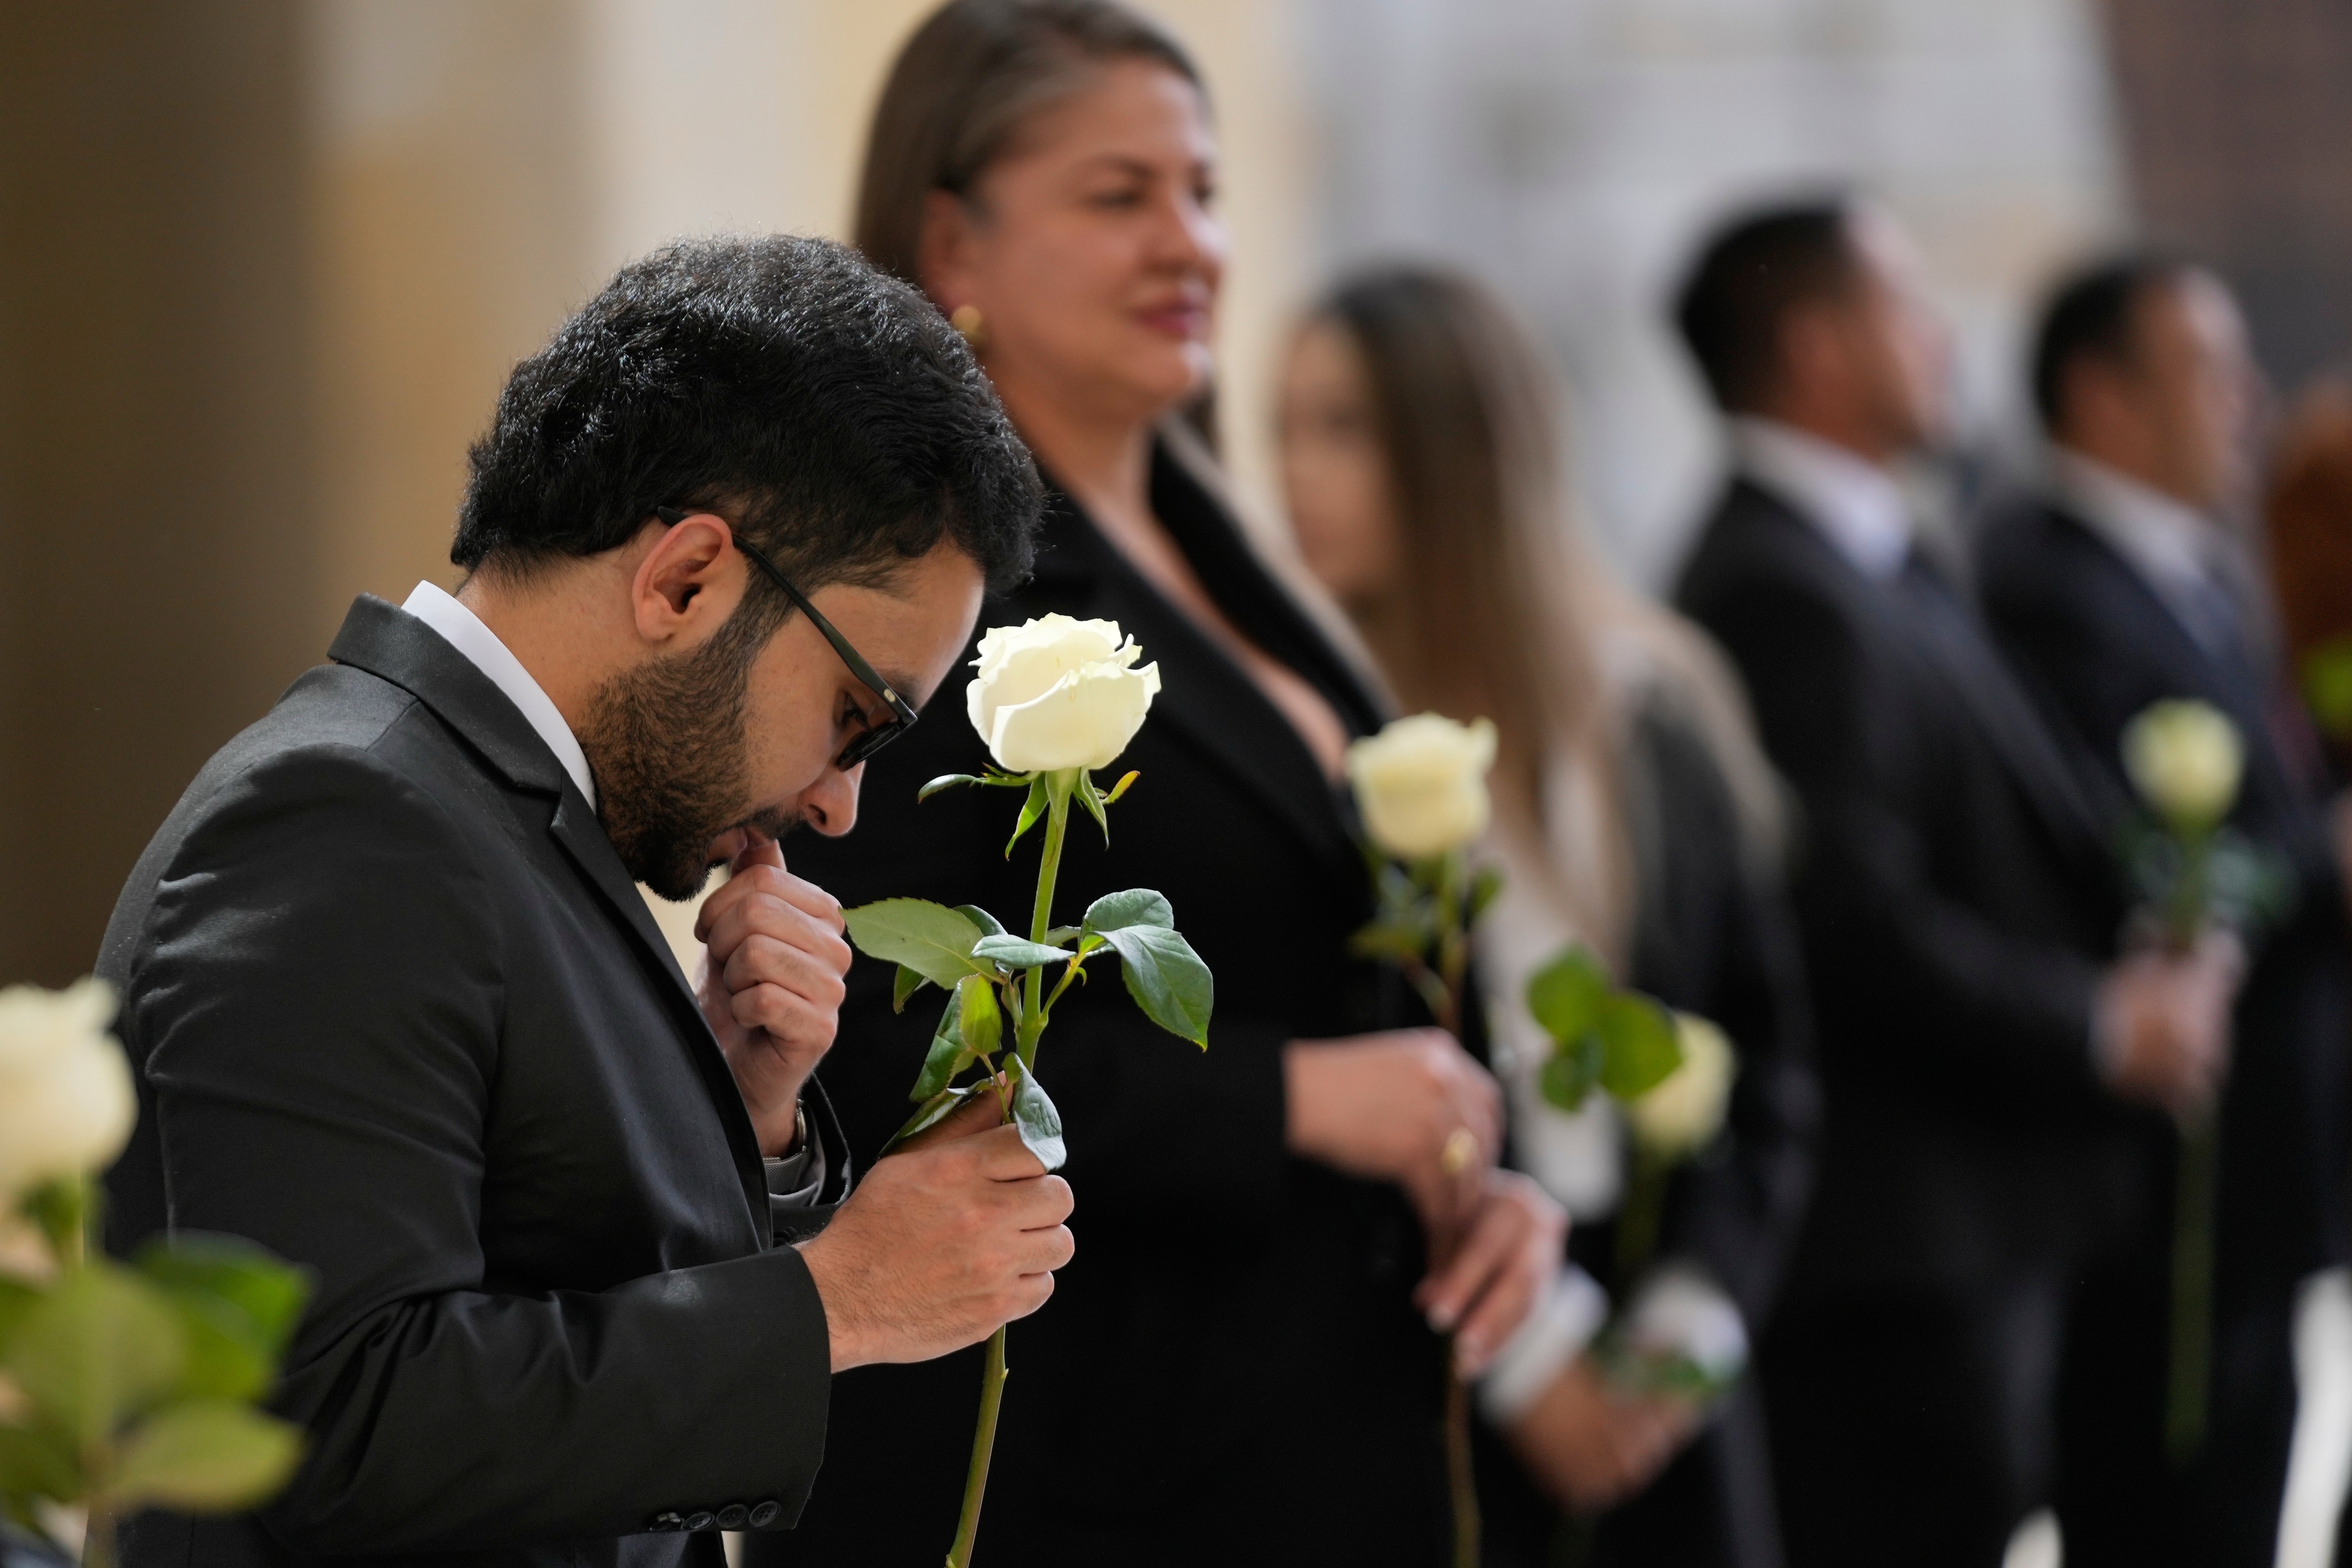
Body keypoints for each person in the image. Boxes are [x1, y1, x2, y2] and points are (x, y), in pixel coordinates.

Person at [98, 235, 1074, 1567]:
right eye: (856, 716)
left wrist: (744, 1113)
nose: (841, 805)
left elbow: (529, 1277)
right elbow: (333, 1427)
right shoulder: (340, 819)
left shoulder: (478, 812)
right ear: (684, 578)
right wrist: (837, 1301)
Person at [745, 4, 1564, 1564]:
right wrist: (1298, 1099)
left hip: (1316, 1413)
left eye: (1204, 189)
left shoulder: (1227, 541)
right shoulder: (913, 566)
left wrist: (1480, 1168)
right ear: (951, 238)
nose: (1189, 241)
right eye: (1119, 196)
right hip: (1088, 1452)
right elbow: (882, 1035)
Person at [1669, 200, 2244, 1568]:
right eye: (1904, 305)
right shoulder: (1773, 581)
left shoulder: (1885, 547)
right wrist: (2099, 1023)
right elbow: (1847, 919)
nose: (1940, 340)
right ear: (1813, 347)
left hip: (1970, 1236)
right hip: (1891, 1262)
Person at [1277, 264, 1818, 1568]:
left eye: (1341, 427)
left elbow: (1770, 1064)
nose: (1296, 473)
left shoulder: (1651, 712)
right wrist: (1528, 1365)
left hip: (1667, 1387)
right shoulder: (1302, 733)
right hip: (1421, 1398)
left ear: (1460, 445)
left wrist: (1686, 1333)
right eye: (1285, 425)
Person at [1976, 257, 2347, 1566]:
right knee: (2173, 1506)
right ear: (2104, 396)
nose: (2249, 399)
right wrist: (2326, 856)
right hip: (2172, 1184)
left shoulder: (2180, 570)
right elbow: (2140, 861)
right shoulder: (2045, 584)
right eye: (2209, 369)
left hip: (2254, 1168)